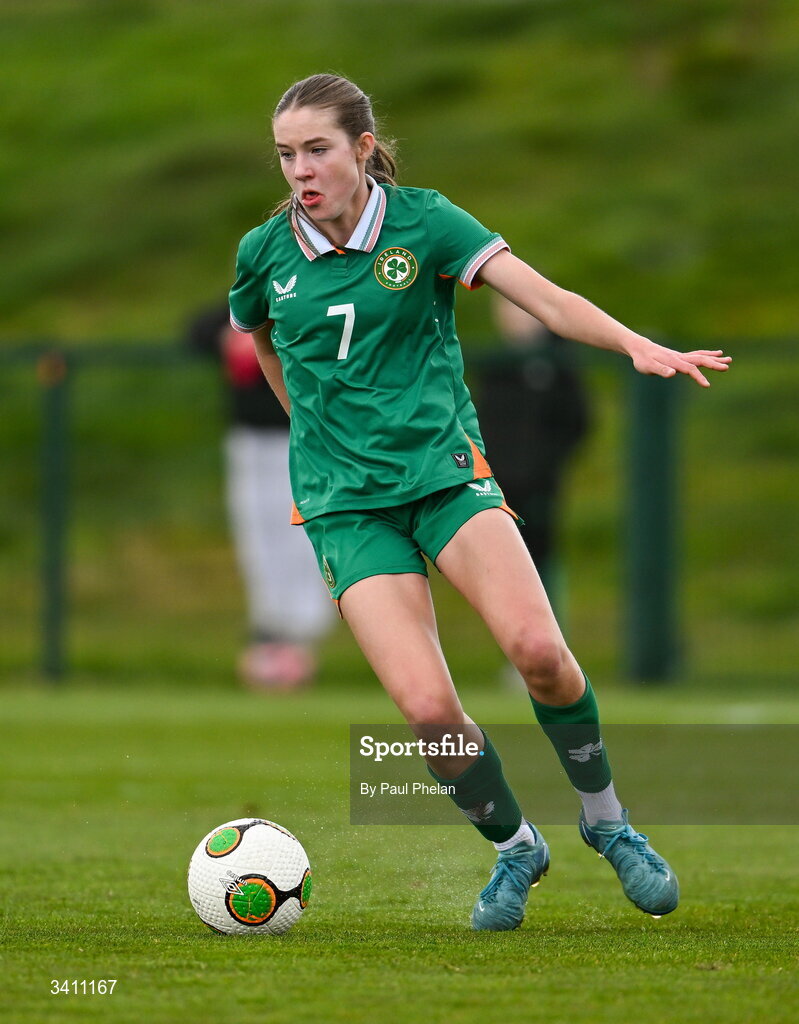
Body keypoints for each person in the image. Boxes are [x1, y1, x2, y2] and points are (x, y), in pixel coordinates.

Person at [228, 73, 731, 929]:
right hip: (346, 507)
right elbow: (264, 344)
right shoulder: (263, 253)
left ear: (360, 146)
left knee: (538, 650)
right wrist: (310, 436)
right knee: (427, 710)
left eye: (316, 150)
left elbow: (544, 298)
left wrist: (635, 345)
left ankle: (608, 823)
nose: (300, 171)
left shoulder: (425, 222)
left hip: (443, 475)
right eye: (285, 155)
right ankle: (513, 849)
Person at [186, 305, 334, 690]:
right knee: (259, 536)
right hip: (251, 439)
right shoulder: (247, 297)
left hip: (307, 437)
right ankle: (271, 631)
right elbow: (195, 331)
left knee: (303, 536)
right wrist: (229, 337)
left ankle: (300, 638)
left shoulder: (316, 290)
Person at [476, 295, 590, 609]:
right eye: (505, 310)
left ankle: (552, 637)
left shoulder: (560, 363)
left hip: (541, 487)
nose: (513, 319)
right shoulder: (496, 367)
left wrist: (542, 466)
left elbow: (577, 421)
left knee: (542, 558)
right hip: (498, 487)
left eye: (520, 309)